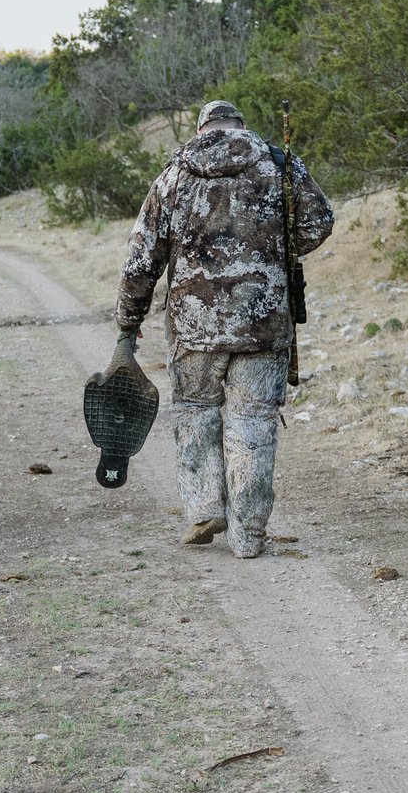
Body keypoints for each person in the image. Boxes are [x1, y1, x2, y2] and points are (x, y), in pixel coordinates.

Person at [108, 99, 333, 558]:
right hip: (264, 321)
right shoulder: (277, 163)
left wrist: (127, 325)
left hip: (194, 325)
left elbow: (141, 258)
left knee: (195, 410)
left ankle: (203, 507)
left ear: (201, 128)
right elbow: (318, 222)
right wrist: (275, 242)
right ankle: (248, 535)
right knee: (253, 423)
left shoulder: (175, 174)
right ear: (241, 126)